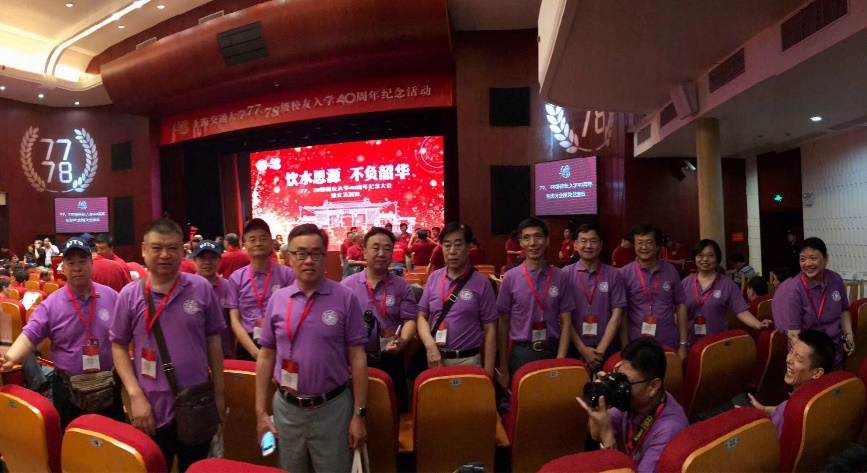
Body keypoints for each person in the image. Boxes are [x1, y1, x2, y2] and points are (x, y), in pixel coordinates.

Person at [110, 218, 226, 472]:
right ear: (144, 250)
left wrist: (219, 392)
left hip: (196, 402)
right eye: (157, 248)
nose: (164, 255)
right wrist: (135, 395)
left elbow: (214, 341)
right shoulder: (130, 295)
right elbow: (118, 346)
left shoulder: (200, 288)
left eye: (172, 248)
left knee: (195, 467)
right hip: (149, 407)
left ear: (182, 250)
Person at [255, 224, 368, 473]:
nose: (308, 260)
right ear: (289, 258)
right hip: (286, 410)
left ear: (325, 257)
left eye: (316, 253)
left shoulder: (345, 298)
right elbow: (265, 356)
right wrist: (260, 411)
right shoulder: (278, 299)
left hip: (333, 410)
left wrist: (359, 414)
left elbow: (358, 358)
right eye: (301, 253)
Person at [0, 238, 124, 428]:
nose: (77, 268)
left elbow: (127, 335)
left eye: (82, 261)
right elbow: (29, 336)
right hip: (69, 390)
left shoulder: (112, 296)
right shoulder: (51, 305)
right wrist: (11, 358)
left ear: (92, 264)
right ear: (63, 268)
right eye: (71, 262)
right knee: (72, 439)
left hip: (108, 386)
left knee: (113, 438)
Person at [577, 338, 688, 473]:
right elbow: (595, 433)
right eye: (619, 376)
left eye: (626, 381)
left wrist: (607, 435)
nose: (621, 387)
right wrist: (598, 404)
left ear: (653, 387)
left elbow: (603, 432)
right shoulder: (635, 400)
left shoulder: (669, 430)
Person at [342, 227, 417, 412]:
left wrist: (403, 340)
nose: (382, 253)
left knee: (392, 414)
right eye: (375, 248)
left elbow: (409, 320)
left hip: (390, 359)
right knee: (356, 413)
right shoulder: (347, 286)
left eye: (387, 248)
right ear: (365, 252)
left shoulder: (402, 286)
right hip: (355, 361)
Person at [497, 218, 574, 388]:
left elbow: (566, 321)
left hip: (552, 350)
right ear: (521, 243)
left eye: (538, 236)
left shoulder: (560, 276)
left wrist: (560, 359)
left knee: (552, 400)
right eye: (527, 238)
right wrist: (503, 366)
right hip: (521, 353)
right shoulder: (510, 278)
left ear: (547, 240)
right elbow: (503, 323)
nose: (532, 243)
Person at [416, 222, 497, 373]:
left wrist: (488, 372)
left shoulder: (482, 282)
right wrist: (430, 345)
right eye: (447, 245)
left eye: (458, 245)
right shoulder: (434, 278)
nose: (452, 251)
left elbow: (490, 328)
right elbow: (421, 316)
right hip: (435, 359)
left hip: (468, 360)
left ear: (469, 247)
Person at [772, 237, 853, 367]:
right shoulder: (794, 290)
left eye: (813, 258)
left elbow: (843, 310)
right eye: (802, 259)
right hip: (807, 359)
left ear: (826, 259)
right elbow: (794, 335)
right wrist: (812, 362)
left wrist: (848, 334)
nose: (807, 264)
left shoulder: (835, 279)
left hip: (834, 352)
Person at [227, 218, 296, 362]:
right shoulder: (236, 278)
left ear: (271, 243)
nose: (258, 243)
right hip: (248, 344)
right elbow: (235, 320)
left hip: (280, 341)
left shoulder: (287, 275)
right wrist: (255, 353)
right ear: (244, 244)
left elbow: (293, 313)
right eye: (252, 240)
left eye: (263, 239)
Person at [563, 224, 627, 372]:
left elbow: (617, 315)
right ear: (575, 244)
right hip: (574, 346)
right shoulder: (565, 274)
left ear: (601, 244)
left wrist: (599, 353)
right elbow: (564, 318)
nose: (588, 246)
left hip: (606, 347)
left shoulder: (613, 274)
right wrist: (583, 350)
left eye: (593, 241)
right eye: (583, 241)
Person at [620, 224, 689, 360]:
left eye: (649, 242)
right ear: (634, 246)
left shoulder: (671, 271)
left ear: (658, 246)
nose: (644, 247)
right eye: (639, 243)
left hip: (668, 342)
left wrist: (683, 344)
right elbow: (622, 313)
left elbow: (681, 307)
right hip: (637, 344)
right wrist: (624, 346)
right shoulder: (625, 273)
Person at [747, 330, 835, 436]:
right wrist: (764, 409)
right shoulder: (825, 395)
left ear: (817, 373)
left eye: (798, 358)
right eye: (791, 351)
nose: (788, 359)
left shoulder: (793, 408)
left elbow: (768, 439)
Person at [682, 240, 770, 346]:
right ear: (694, 258)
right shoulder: (686, 283)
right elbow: (678, 313)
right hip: (691, 343)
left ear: (717, 259)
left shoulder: (727, 284)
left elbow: (742, 311)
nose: (705, 259)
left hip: (718, 343)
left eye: (710, 255)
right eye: (700, 255)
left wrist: (758, 324)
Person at [193, 240, 234, 359]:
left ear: (220, 260)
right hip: (194, 354)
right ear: (194, 260)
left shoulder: (228, 287)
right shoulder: (185, 287)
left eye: (213, 258)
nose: (207, 262)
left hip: (223, 353)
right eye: (202, 258)